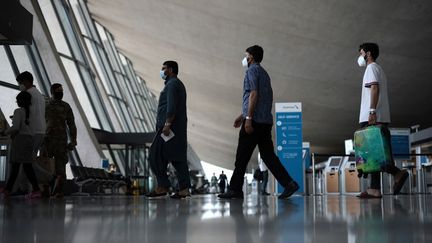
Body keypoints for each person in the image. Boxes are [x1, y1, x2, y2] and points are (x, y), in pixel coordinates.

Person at [218, 45, 299, 200]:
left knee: (241, 156)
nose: (245, 58)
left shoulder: (251, 71)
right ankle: (289, 183)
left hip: (254, 122)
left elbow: (254, 94)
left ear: (251, 58)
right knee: (268, 156)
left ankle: (235, 189)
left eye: (246, 55)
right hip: (265, 121)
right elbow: (262, 99)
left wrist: (248, 119)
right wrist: (242, 115)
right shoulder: (264, 73)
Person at [356, 43, 408, 199]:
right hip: (378, 116)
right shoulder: (379, 69)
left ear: (368, 54)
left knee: (374, 154)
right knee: (374, 153)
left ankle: (397, 174)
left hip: (372, 116)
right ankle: (374, 189)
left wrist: (371, 111)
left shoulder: (371, 68)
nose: (360, 57)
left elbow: (374, 88)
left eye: (361, 53)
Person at [146, 60, 191, 199]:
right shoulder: (177, 84)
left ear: (170, 70)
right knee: (177, 158)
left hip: (169, 129)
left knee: (154, 155)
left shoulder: (172, 85)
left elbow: (171, 107)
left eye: (164, 68)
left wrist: (167, 124)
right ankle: (183, 188)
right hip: (176, 129)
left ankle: (163, 186)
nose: (162, 71)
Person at [0, 91, 42, 199]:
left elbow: (15, 127)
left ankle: (7, 190)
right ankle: (9, 190)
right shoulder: (32, 113)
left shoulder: (18, 111)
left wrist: (4, 132)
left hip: (20, 140)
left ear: (20, 101)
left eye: (17, 100)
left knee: (16, 167)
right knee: (26, 166)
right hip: (29, 139)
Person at [43, 83, 77, 197]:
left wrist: (73, 140)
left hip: (60, 142)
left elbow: (72, 124)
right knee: (45, 166)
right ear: (52, 91)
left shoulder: (65, 106)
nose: (60, 92)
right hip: (47, 140)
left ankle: (59, 191)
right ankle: (46, 189)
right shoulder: (46, 105)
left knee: (60, 168)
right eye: (58, 90)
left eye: (61, 90)